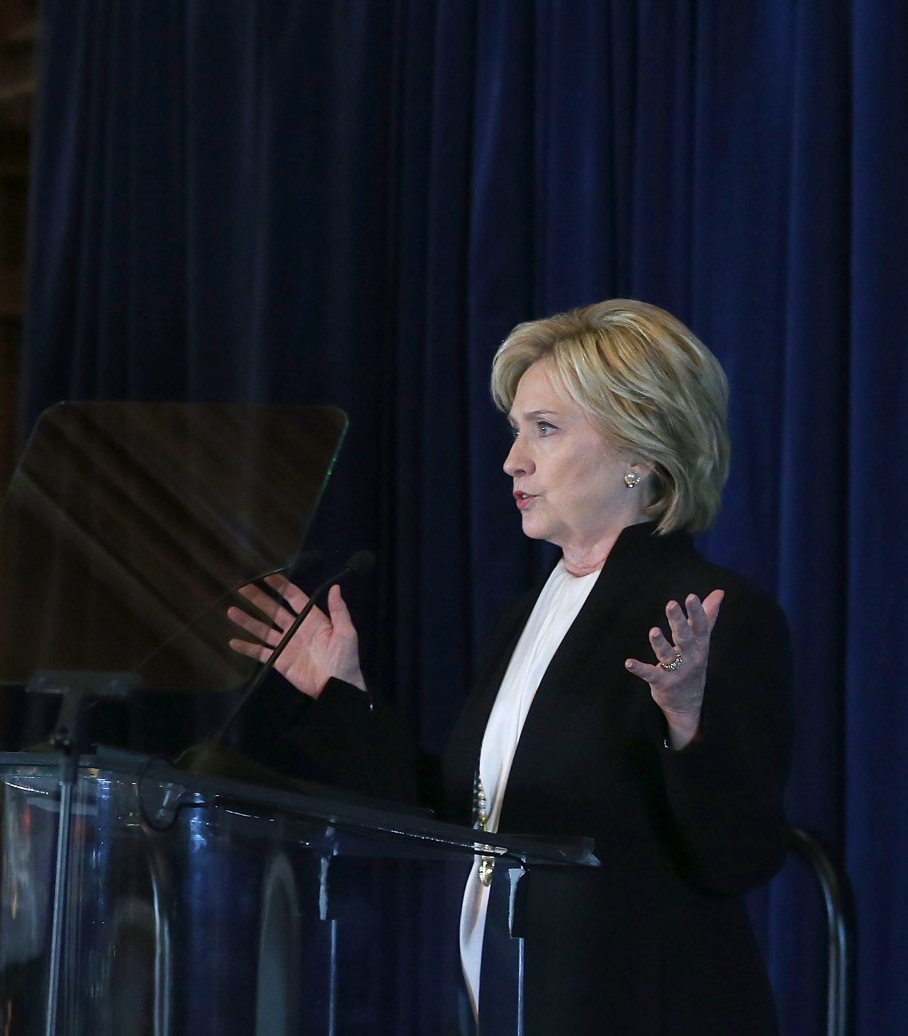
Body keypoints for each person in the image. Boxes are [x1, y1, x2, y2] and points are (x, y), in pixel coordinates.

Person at [227, 299, 791, 1034]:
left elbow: (738, 857)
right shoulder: (528, 616)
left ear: (640, 450)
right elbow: (464, 817)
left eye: (545, 429)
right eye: (516, 430)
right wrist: (340, 694)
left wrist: (687, 723)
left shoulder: (714, 614)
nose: (512, 460)